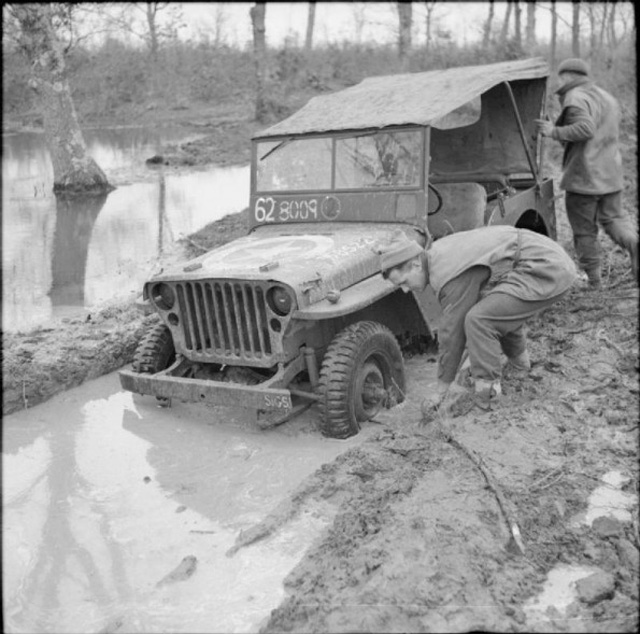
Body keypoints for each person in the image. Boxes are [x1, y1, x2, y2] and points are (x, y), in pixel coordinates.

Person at [375, 226, 577, 415]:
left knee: (479, 320)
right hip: (539, 258)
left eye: (403, 282)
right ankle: (520, 365)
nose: (405, 290)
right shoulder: (436, 254)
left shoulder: (447, 273)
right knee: (491, 308)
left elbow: (452, 334)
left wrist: (441, 390)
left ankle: (487, 401)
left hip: (545, 267)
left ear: (416, 264)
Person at [535, 57, 638, 289]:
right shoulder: (607, 97)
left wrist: (553, 131)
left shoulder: (575, 97)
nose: (559, 80)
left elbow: (585, 129)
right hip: (611, 173)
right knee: (615, 220)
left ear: (568, 75)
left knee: (584, 231)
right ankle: (635, 244)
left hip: (585, 177)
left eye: (561, 76)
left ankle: (594, 283)